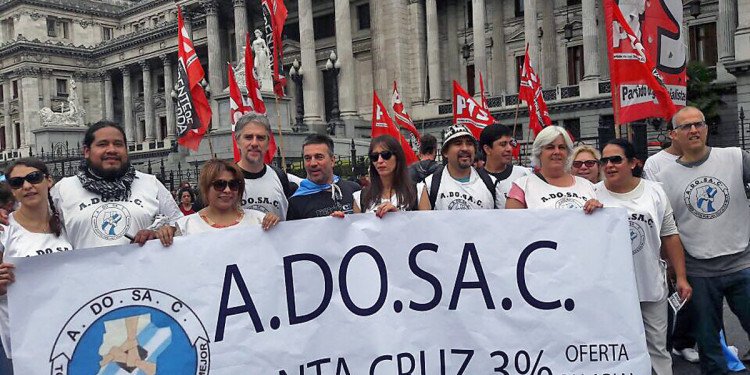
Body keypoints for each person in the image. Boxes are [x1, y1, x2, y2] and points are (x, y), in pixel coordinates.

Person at [654, 106, 750, 375]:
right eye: (686, 126)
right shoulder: (664, 179)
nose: (694, 130)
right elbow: (666, 229)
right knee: (709, 344)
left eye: (699, 124)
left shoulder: (735, 157)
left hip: (742, 264)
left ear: (706, 129)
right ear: (674, 134)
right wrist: (674, 270)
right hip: (698, 271)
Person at [594, 140, 692, 375]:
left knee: (658, 348)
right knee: (616, 348)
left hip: (650, 286)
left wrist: (681, 277)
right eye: (604, 160)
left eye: (616, 159)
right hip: (610, 291)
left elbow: (670, 235)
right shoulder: (593, 192)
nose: (609, 165)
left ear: (633, 163)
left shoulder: (655, 191)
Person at [49, 120, 183, 248]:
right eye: (102, 144)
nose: (111, 150)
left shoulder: (151, 184)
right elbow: (45, 236)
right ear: (86, 151)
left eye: (118, 144)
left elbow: (180, 226)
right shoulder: (63, 189)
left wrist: (160, 233)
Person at [0, 158, 73, 372]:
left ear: (49, 181)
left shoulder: (68, 224)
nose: (26, 186)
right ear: (12, 191)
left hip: (66, 333)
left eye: (33, 178)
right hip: (20, 342)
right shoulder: (4, 230)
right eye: (17, 182)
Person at [156, 160, 278, 241]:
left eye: (233, 184)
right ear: (206, 187)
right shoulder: (186, 226)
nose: (227, 190)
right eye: (220, 184)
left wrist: (275, 226)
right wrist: (163, 236)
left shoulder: (259, 221)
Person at [505, 125, 601, 213]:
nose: (556, 152)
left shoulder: (588, 186)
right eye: (550, 147)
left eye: (562, 147)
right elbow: (513, 226)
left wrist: (597, 209)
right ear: (539, 152)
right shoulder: (522, 186)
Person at [418, 124, 502, 210]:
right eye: (458, 143)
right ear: (445, 152)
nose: (465, 148)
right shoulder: (428, 186)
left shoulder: (492, 184)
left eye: (469, 144)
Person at [234, 113, 293, 221]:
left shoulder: (280, 177)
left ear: (268, 143)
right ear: (237, 141)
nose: (254, 143)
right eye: (248, 137)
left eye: (260, 138)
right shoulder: (223, 180)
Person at [287, 134, 360, 220]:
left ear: (332, 160)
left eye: (319, 157)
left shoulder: (353, 190)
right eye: (307, 158)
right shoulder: (296, 202)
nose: (313, 163)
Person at [352, 135, 418, 216]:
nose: (380, 161)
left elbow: (427, 226)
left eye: (386, 155)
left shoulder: (418, 192)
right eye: (374, 157)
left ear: (397, 157)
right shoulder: (360, 198)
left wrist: (398, 215)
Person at [479, 124, 531, 208]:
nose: (509, 149)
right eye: (503, 144)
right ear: (487, 149)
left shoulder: (524, 174)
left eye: (510, 143)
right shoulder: (476, 179)